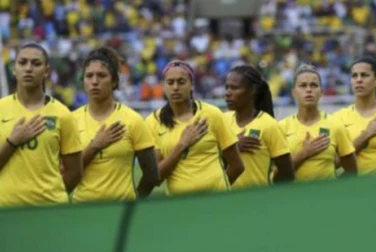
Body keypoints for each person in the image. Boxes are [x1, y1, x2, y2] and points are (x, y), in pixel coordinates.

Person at [72, 47, 159, 202]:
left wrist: (133, 206)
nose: (94, 81)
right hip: (82, 212)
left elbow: (152, 174)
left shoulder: (133, 120)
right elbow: (64, 174)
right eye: (89, 76)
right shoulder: (70, 121)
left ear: (114, 81)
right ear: (83, 81)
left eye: (101, 75)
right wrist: (94, 146)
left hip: (120, 212)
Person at [0, 43, 82, 207]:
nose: (28, 68)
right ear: (14, 69)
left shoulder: (63, 114)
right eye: (22, 63)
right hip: (7, 212)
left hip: (50, 212)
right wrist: (12, 142)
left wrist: (51, 198)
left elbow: (75, 172)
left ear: (46, 71)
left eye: (36, 63)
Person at [146, 60, 244, 196]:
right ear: (164, 86)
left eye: (181, 82)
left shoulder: (212, 114)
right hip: (181, 207)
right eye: (170, 82)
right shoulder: (153, 122)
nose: (175, 87)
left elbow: (237, 165)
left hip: (217, 203)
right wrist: (182, 145)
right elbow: (155, 178)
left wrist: (220, 190)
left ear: (191, 85)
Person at [279, 65, 357, 181]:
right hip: (293, 198)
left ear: (321, 92)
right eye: (303, 85)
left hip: (326, 198)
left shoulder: (336, 125)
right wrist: (304, 153)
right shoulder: (281, 128)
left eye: (314, 85)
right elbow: (275, 179)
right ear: (294, 93)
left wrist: (335, 190)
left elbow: (352, 170)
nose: (309, 89)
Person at [224, 65, 294, 189]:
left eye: (234, 88)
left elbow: (287, 172)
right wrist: (233, 148)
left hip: (256, 202)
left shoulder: (269, 125)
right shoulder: (223, 120)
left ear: (252, 90)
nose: (228, 93)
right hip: (224, 200)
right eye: (227, 87)